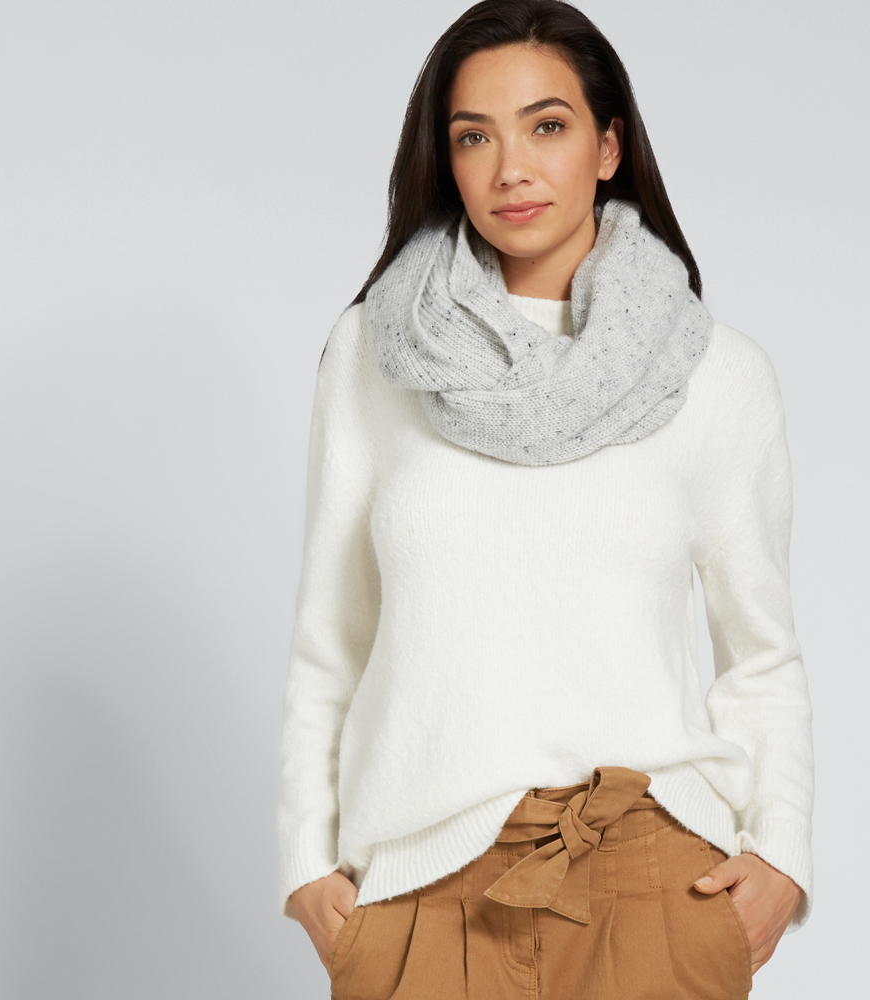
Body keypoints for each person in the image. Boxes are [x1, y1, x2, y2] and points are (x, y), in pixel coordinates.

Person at [277, 2, 814, 997]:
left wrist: (780, 853)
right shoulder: (373, 357)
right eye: (473, 136)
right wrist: (306, 862)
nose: (510, 168)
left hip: (651, 884)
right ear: (446, 161)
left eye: (547, 126)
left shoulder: (717, 375)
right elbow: (330, 640)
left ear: (609, 147)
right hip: (423, 891)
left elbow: (761, 655)